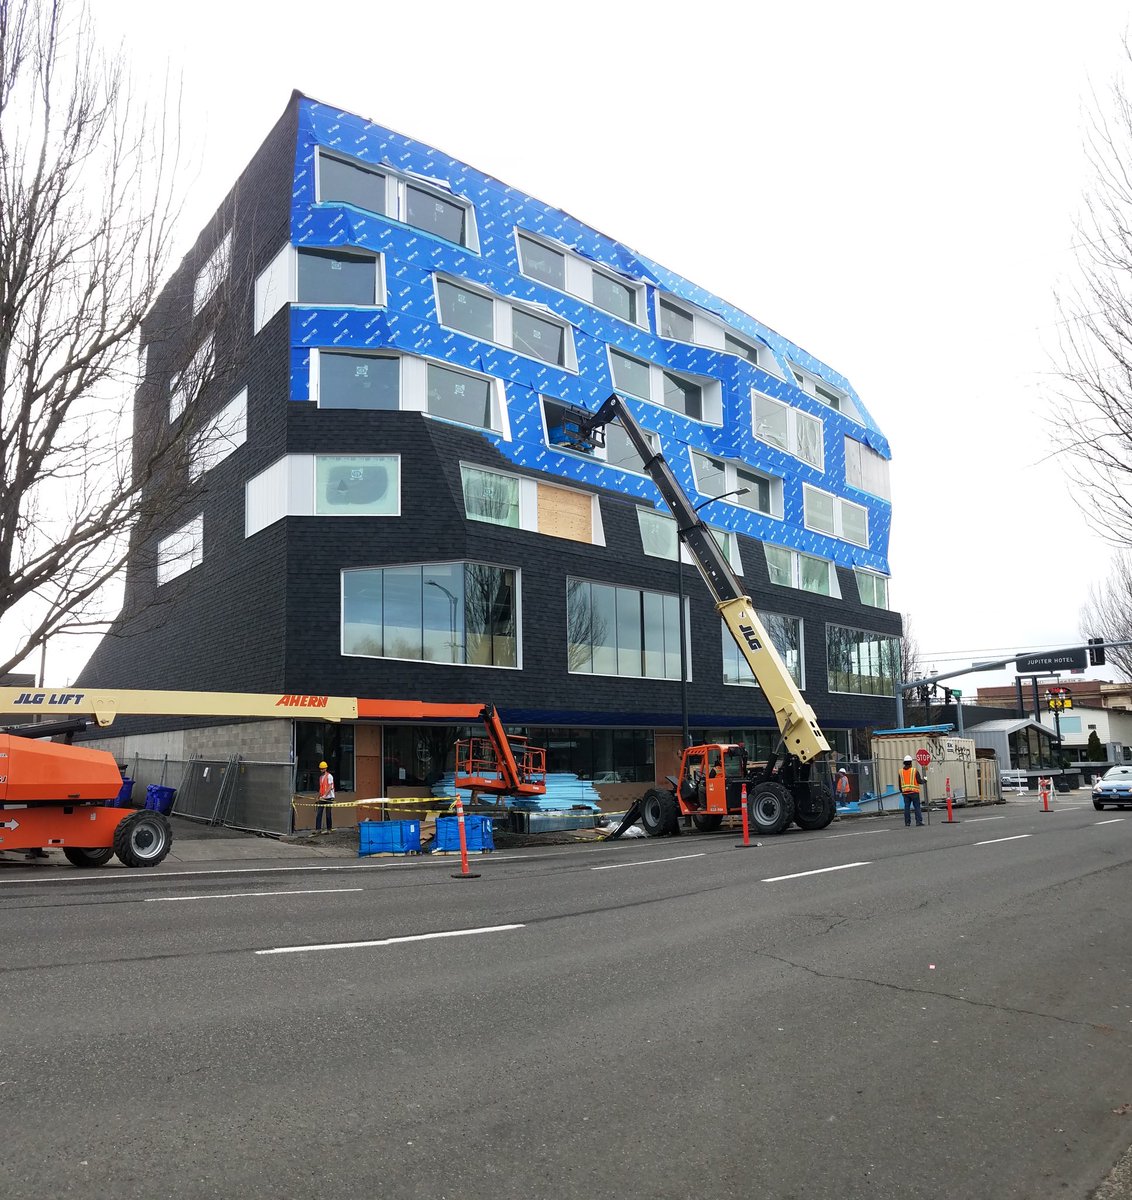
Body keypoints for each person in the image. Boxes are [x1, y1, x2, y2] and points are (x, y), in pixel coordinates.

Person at [899, 755, 924, 827]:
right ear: (910, 763)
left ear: (904, 763)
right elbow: (919, 781)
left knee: (907, 807)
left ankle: (907, 822)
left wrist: (902, 791)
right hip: (914, 792)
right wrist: (925, 780)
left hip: (905, 793)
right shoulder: (914, 770)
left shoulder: (901, 771)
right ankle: (918, 822)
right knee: (917, 807)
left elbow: (900, 782)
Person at [316, 760, 335, 833]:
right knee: (319, 813)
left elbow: (330, 787)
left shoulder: (329, 776)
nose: (321, 770)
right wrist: (319, 796)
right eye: (320, 769)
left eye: (323, 768)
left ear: (326, 768)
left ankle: (329, 829)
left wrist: (324, 796)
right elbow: (321, 788)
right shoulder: (321, 777)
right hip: (322, 798)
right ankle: (318, 829)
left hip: (329, 798)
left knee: (328, 814)